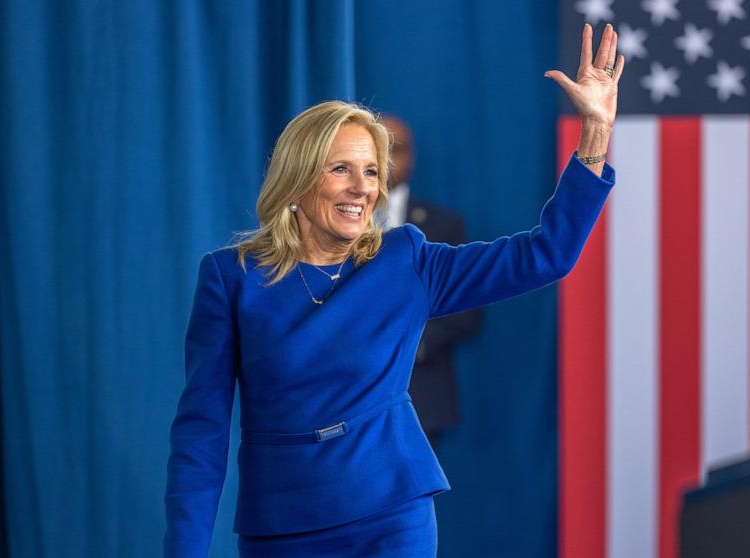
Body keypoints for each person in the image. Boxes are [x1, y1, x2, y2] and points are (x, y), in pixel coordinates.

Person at [164, 23, 625, 558]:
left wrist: (595, 132)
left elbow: (546, 254)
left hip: (392, 514)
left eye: (371, 171)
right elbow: (201, 434)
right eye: (341, 169)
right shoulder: (231, 277)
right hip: (283, 524)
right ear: (297, 178)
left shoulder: (405, 259)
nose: (363, 188)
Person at [380, 115, 482, 449]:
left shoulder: (442, 226)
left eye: (397, 150)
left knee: (412, 501)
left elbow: (466, 313)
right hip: (344, 399)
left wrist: (411, 342)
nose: (387, 160)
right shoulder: (335, 223)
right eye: (378, 149)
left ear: (412, 158)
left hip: (419, 396)